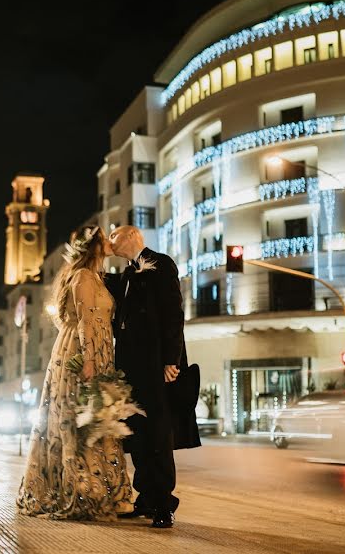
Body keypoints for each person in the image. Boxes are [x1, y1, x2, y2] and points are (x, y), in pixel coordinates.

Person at [17, 225, 134, 520]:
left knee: (96, 422)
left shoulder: (96, 276)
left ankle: (96, 489)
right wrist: (88, 360)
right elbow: (82, 321)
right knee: (78, 421)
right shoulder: (82, 276)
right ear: (94, 246)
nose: (109, 241)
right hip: (84, 354)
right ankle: (80, 489)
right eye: (104, 237)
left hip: (97, 351)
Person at [106, 225, 200, 529]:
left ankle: (163, 504)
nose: (111, 242)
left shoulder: (160, 263)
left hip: (156, 365)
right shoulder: (126, 275)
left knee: (158, 433)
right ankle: (145, 497)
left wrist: (171, 359)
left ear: (132, 236)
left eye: (114, 237)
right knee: (138, 432)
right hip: (130, 367)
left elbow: (174, 313)